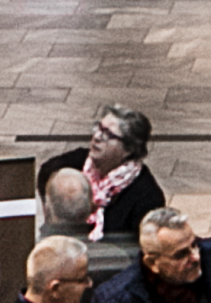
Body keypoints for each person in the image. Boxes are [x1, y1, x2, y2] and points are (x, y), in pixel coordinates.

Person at [40, 105, 165, 249]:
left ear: (129, 149)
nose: (97, 137)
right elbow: (45, 173)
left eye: (108, 135)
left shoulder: (147, 198)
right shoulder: (72, 163)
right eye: (98, 128)